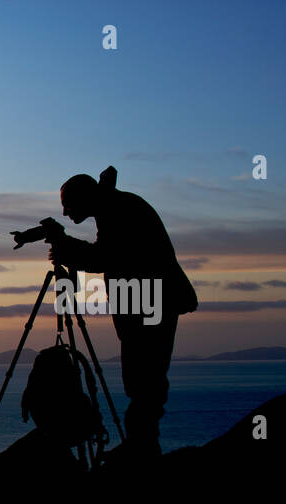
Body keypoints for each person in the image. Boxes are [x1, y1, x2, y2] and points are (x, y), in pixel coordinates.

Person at [48, 169, 197, 458]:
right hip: (147, 301)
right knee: (142, 379)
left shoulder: (118, 210)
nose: (65, 213)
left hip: (151, 302)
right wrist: (69, 248)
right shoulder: (115, 207)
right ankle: (141, 445)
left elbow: (106, 256)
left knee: (145, 379)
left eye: (68, 204)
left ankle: (142, 450)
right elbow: (109, 254)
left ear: (85, 197)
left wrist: (67, 247)